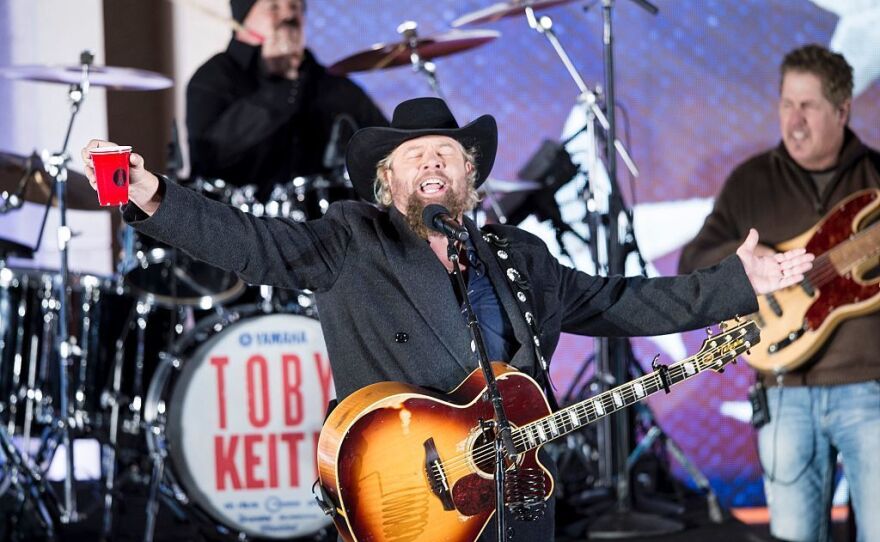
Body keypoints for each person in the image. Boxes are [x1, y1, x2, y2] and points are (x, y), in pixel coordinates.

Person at [83, 97, 811, 541]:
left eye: (448, 154)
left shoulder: (519, 255)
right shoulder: (351, 238)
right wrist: (153, 198)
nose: (433, 161)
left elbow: (621, 300)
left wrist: (734, 282)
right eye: (415, 155)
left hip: (514, 495)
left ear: (470, 177)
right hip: (404, 498)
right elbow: (254, 245)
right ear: (387, 180)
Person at [679, 44, 880, 542]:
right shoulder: (751, 181)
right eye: (786, 103)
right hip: (784, 390)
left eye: (808, 105)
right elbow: (692, 265)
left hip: (870, 389)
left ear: (841, 110)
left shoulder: (875, 175)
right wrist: (751, 261)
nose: (794, 119)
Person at [186, 0, 388, 198]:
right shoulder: (215, 77)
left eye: (295, 7)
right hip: (236, 221)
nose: (288, 15)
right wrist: (279, 85)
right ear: (242, 20)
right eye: (274, 6)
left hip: (319, 223)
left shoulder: (329, 82)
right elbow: (210, 156)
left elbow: (384, 144)